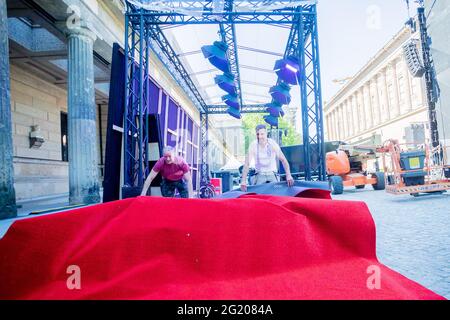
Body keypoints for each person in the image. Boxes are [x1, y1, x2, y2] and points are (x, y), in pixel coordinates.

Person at [241, 124, 294, 191]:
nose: (260, 136)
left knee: (277, 192)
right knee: (258, 194)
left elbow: (283, 160)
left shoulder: (272, 143)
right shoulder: (253, 145)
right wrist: (243, 181)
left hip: (272, 173)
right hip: (260, 174)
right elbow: (247, 164)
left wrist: (288, 175)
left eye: (262, 134)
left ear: (266, 133)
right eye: (257, 134)